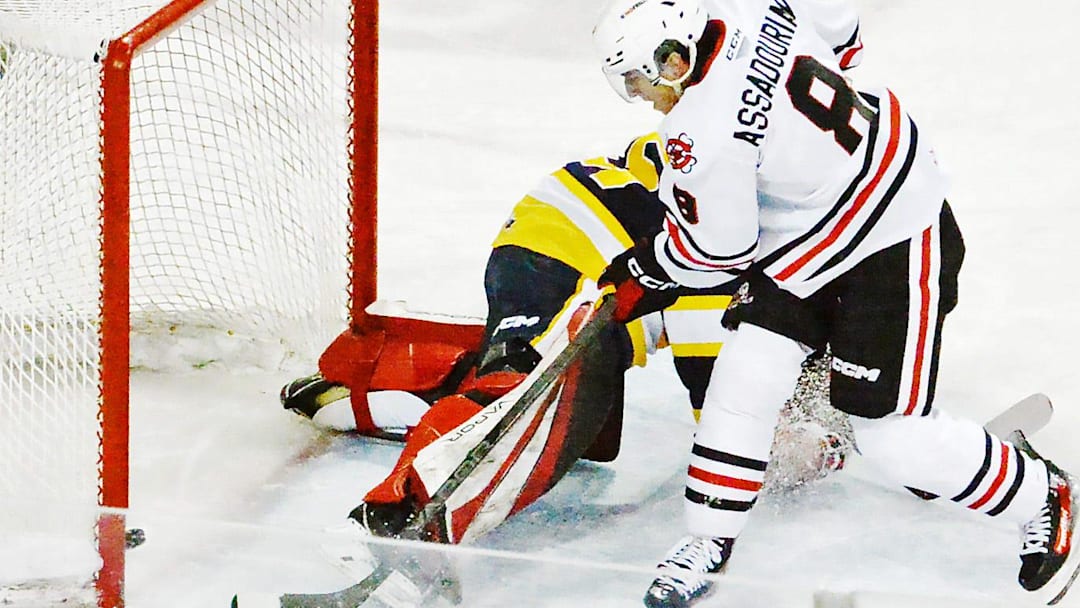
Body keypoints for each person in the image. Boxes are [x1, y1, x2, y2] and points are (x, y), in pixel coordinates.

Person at [590, 1, 1078, 607]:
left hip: (895, 235)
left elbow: (719, 252)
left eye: (642, 78)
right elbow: (838, 24)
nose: (641, 96)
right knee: (744, 377)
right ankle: (707, 538)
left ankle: (1041, 492)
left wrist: (644, 272)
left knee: (894, 438)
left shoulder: (700, 137)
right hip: (811, 235)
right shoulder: (750, 7)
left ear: (675, 57)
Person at [281, 132, 851, 548]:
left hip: (573, 241)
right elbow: (725, 419)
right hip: (561, 262)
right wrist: (810, 444)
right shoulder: (735, 241)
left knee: (583, 433)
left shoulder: (752, 170)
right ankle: (393, 517)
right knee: (522, 422)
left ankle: (381, 391)